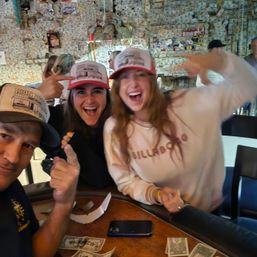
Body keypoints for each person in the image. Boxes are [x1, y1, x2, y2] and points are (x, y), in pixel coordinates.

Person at [103, 47, 257, 214]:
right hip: (157, 212)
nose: (132, 83)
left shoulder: (192, 104)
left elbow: (249, 85)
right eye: (124, 77)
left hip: (206, 214)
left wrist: (220, 62)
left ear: (153, 79)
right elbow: (125, 180)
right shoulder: (115, 127)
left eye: (140, 74)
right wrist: (156, 194)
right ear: (117, 86)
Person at [0, 83, 80, 257]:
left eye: (28, 145)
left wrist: (65, 202)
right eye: (4, 135)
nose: (13, 157)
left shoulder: (12, 186)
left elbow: (31, 250)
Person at [39, 60, 114, 188]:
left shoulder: (121, 123)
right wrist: (38, 95)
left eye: (97, 91)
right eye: (81, 92)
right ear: (71, 96)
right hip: (74, 199)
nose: (89, 100)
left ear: (107, 95)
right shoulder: (57, 118)